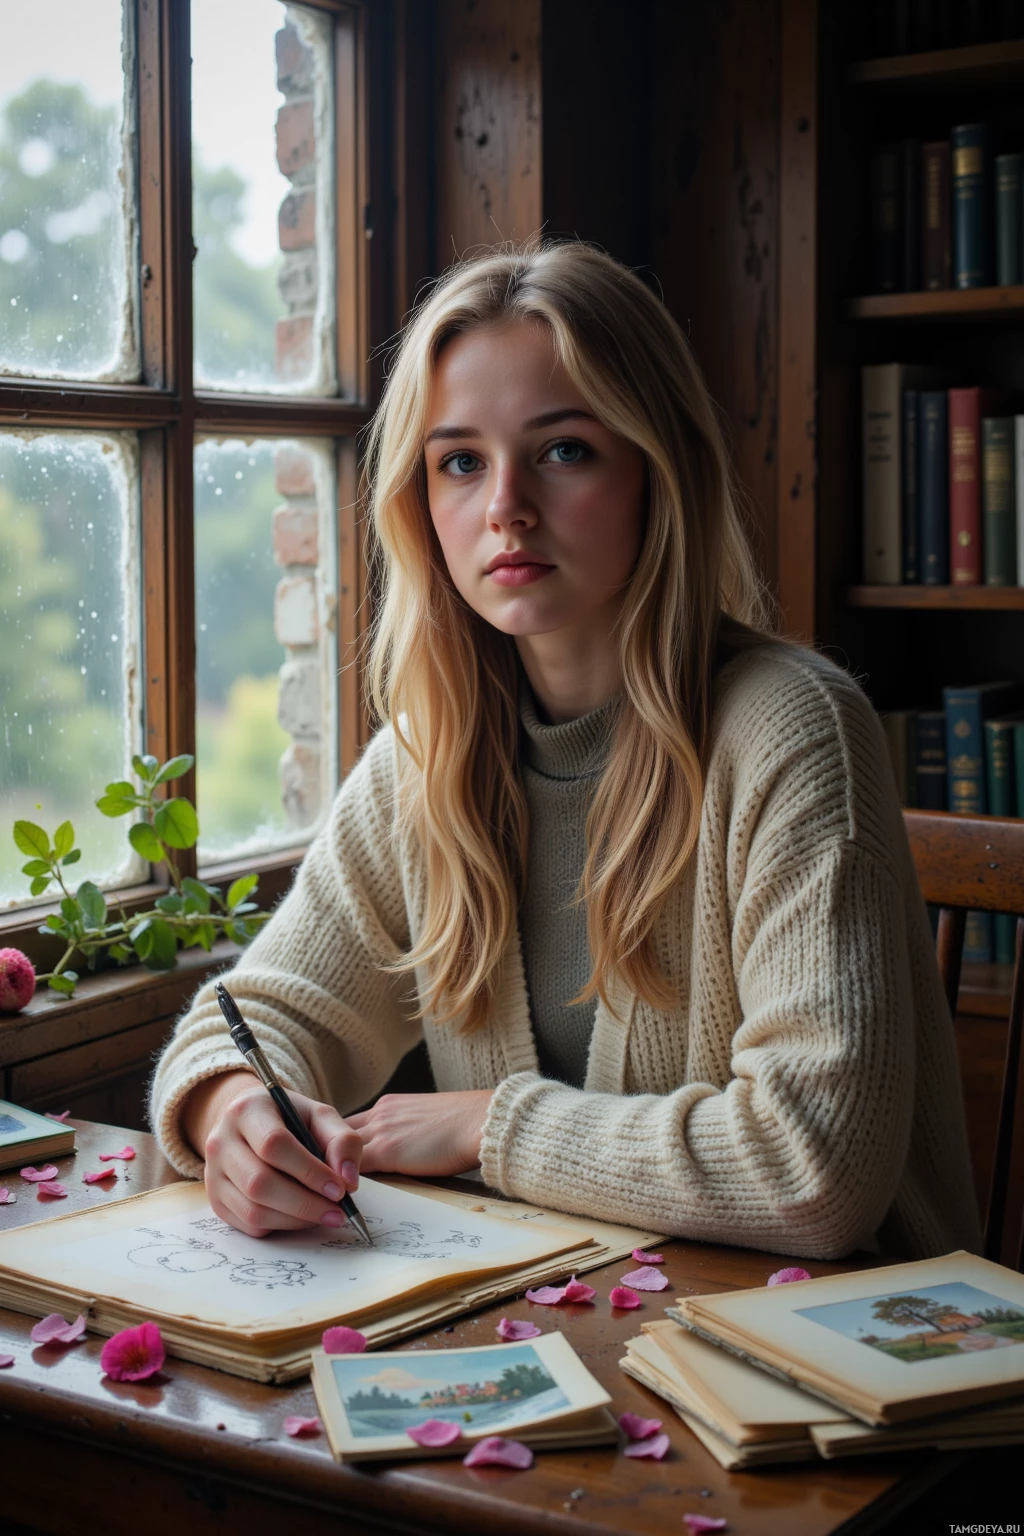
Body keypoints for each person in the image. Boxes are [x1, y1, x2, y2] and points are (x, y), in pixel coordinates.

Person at [150, 242, 981, 1261]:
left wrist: (487, 1123)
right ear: (421, 505)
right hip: (578, 1346)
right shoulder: (429, 760)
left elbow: (814, 1169)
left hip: (841, 1372)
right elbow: (256, 1017)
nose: (504, 507)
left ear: (655, 468)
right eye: (460, 461)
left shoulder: (791, 732)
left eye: (563, 449)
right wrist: (229, 1109)